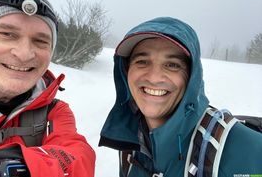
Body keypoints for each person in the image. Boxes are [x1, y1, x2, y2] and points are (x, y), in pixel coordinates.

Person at [99, 17, 262, 177]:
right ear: (126, 71)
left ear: (192, 77)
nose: (154, 78)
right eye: (142, 61)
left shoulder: (249, 151)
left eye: (172, 65)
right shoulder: (131, 144)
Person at [0, 0, 95, 177]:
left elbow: (77, 157)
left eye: (40, 41)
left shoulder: (53, 112)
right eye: (7, 34)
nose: (24, 54)